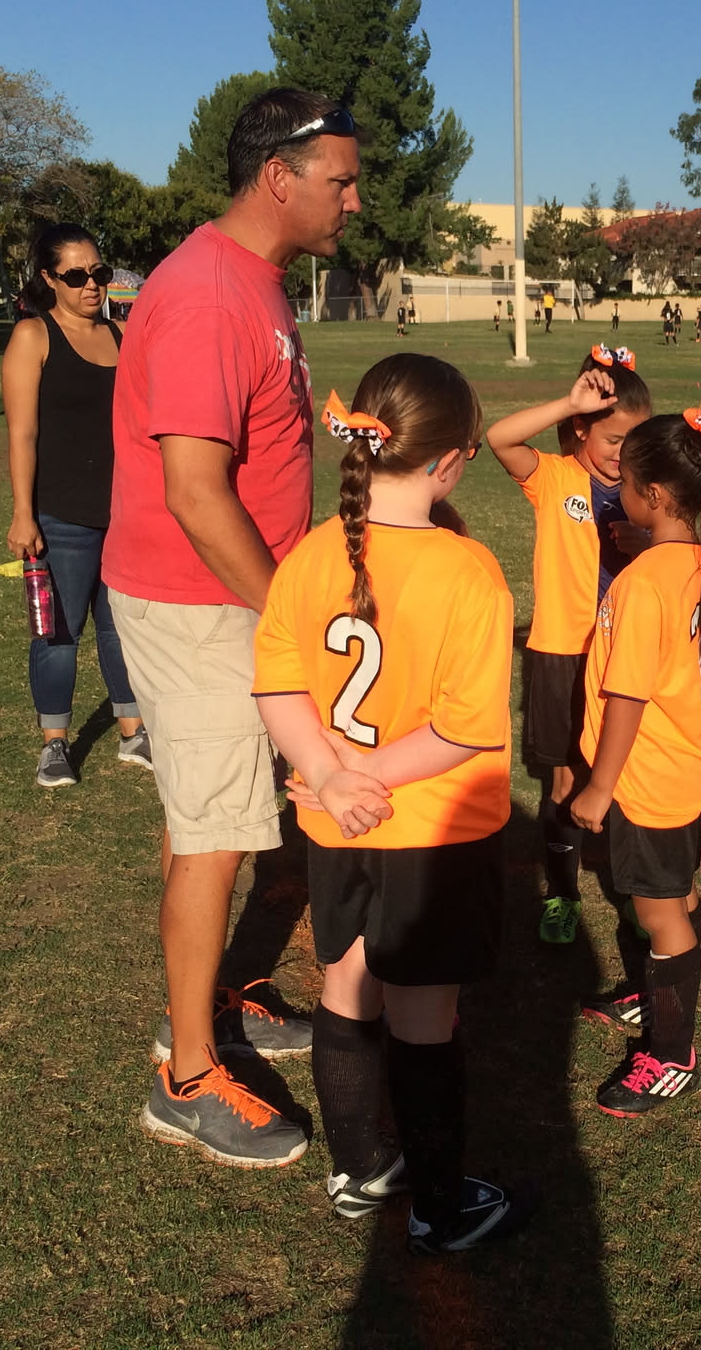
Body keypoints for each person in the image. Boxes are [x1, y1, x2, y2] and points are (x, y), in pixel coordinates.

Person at [108, 87, 360, 1168]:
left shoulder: (252, 282)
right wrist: (289, 612)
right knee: (212, 834)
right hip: (199, 603)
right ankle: (187, 1074)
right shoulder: (211, 294)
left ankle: (210, 1001)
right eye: (341, 180)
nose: (355, 199)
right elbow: (196, 493)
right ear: (277, 177)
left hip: (227, 600)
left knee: (210, 819)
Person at [254, 354, 530, 1252]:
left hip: (337, 824)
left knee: (345, 985)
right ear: (447, 463)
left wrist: (329, 775)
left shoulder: (309, 554)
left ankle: (358, 1168)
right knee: (422, 1015)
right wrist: (362, 778)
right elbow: (464, 731)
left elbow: (276, 686)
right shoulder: (467, 570)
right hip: (431, 832)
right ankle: (441, 1206)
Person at [570, 406, 701, 1117]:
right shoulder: (698, 561)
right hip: (683, 763)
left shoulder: (643, 583)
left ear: (657, 496)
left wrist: (599, 786)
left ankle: (671, 1053)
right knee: (676, 893)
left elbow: (628, 695)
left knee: (659, 910)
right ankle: (658, 990)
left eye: (628, 482)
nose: (619, 490)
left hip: (647, 775)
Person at [486, 345, 652, 947]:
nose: (621, 455)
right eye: (612, 440)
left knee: (624, 775)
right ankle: (562, 894)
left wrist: (647, 543)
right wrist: (568, 402)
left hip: (625, 655)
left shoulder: (647, 492)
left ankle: (634, 892)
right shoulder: (555, 479)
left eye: (633, 443)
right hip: (562, 654)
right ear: (581, 428)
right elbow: (499, 438)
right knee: (564, 783)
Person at [2, 222, 149, 789]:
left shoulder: (122, 335)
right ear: (48, 278)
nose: (92, 284)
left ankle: (133, 731)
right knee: (59, 634)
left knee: (121, 629)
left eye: (99, 272)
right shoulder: (33, 336)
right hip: (59, 516)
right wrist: (23, 513)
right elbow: (22, 434)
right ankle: (54, 743)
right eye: (76, 275)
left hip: (124, 514)